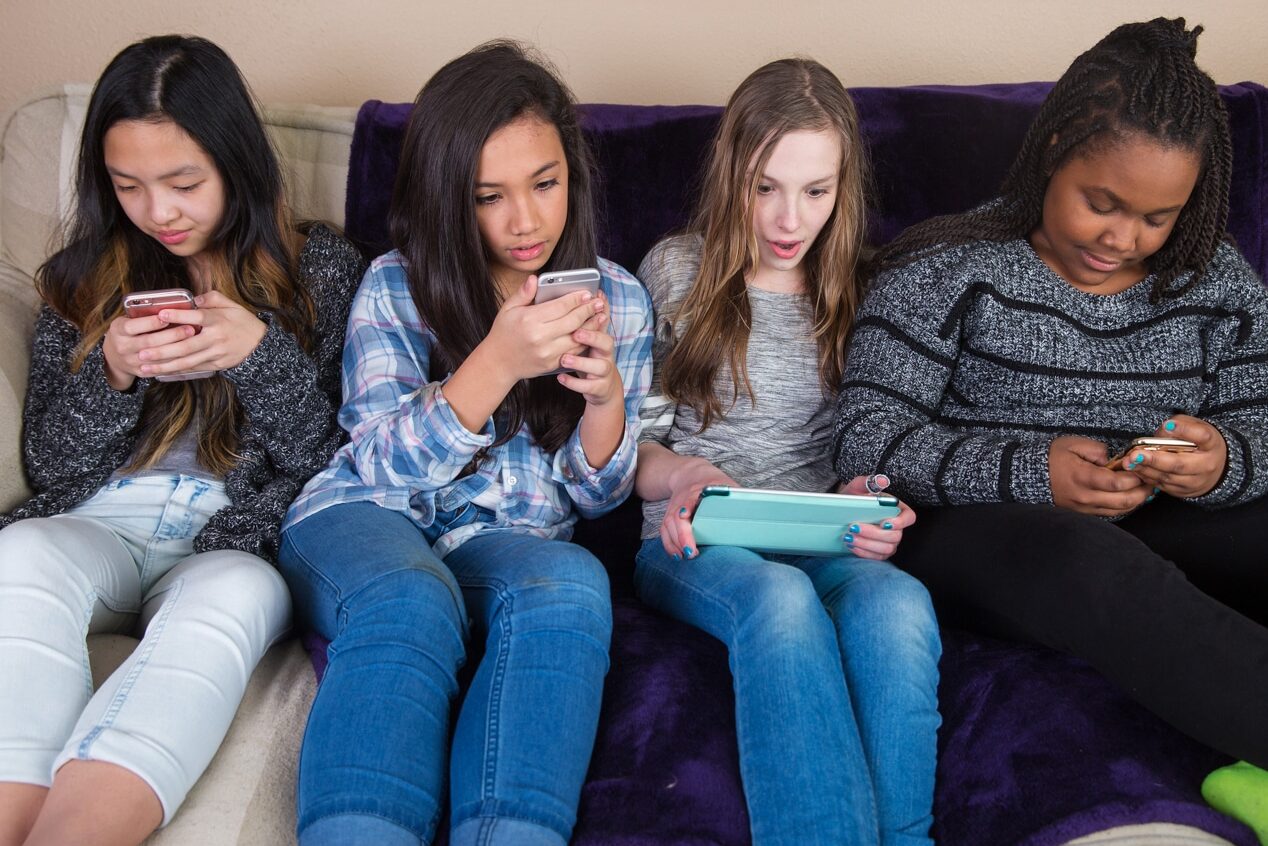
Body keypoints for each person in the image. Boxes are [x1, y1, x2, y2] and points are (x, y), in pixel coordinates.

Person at [834, 16, 1268, 829]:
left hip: (1154, 516)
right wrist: (1031, 471)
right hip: (980, 534)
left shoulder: (1217, 281)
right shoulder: (946, 267)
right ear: (1055, 148)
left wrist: (1223, 459)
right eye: (1101, 203)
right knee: (1086, 560)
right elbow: (866, 439)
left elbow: (1258, 416)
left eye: (1157, 217)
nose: (1122, 238)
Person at [278, 40, 653, 846]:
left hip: (502, 540)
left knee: (571, 581)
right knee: (409, 598)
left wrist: (606, 401)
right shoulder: (397, 281)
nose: (526, 221)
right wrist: (496, 362)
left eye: (545, 184)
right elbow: (380, 465)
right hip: (366, 517)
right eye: (489, 196)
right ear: (451, 197)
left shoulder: (618, 298)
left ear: (573, 176)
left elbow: (596, 497)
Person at [0, 35, 365, 846]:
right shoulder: (80, 278)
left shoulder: (323, 269)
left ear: (237, 164)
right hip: (98, 518)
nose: (158, 212)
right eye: (128, 186)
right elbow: (49, 466)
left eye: (184, 183)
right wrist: (112, 373)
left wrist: (260, 355)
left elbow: (333, 461)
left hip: (231, 534)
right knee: (19, 554)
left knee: (233, 599)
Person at [634, 58, 941, 846]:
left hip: (818, 532)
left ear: (843, 189)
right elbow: (630, 451)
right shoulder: (677, 270)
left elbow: (867, 446)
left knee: (899, 604)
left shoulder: (863, 291)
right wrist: (688, 476)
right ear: (730, 171)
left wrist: (866, 497)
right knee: (778, 599)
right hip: (693, 538)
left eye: (815, 191)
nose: (788, 219)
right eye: (764, 186)